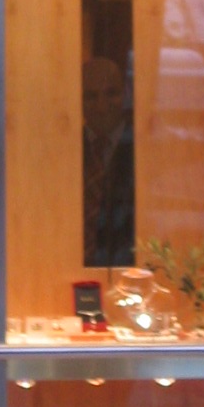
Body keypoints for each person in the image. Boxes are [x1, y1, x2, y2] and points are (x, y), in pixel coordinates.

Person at [81, 56, 136, 267]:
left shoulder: (142, 150)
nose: (102, 106)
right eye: (91, 96)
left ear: (127, 94)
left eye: (111, 93)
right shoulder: (62, 152)